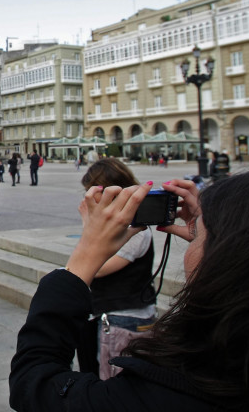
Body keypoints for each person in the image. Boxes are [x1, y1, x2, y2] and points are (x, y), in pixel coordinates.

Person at [10, 169, 249, 411]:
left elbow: (33, 383)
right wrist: (221, 230)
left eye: (202, 236)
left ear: (230, 262)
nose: (194, 242)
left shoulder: (160, 397)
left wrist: (82, 257)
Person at [77, 158, 156, 379]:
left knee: (114, 383)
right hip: (110, 315)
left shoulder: (135, 228)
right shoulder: (118, 226)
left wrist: (89, 226)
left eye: (93, 193)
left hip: (125, 320)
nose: (90, 200)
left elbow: (96, 267)